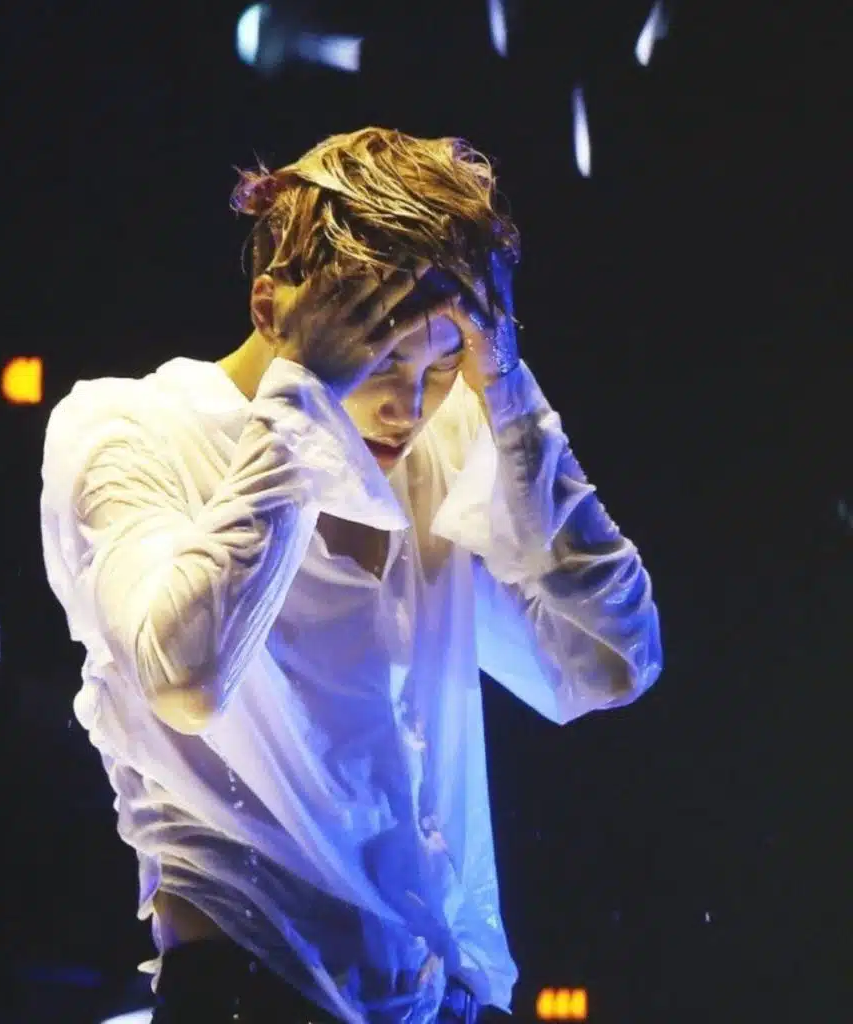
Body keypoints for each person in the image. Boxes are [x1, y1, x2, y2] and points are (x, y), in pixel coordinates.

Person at [39, 127, 662, 1023]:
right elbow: (186, 677)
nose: (407, 405)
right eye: (381, 352)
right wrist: (303, 394)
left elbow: (613, 661)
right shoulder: (128, 429)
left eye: (441, 364)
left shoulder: (442, 441)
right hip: (250, 996)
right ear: (272, 308)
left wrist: (508, 392)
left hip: (448, 1001)